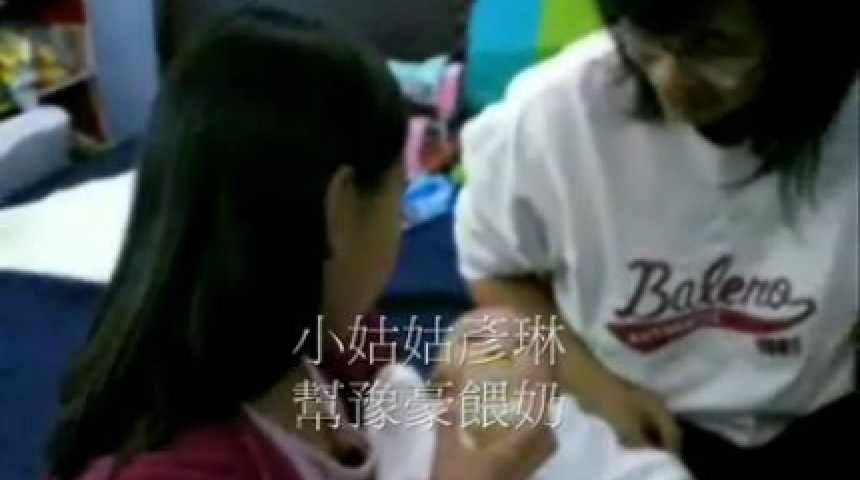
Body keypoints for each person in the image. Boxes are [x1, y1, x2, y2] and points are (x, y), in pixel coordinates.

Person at [43, 7, 557, 480]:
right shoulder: (174, 467)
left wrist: (478, 365)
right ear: (341, 209)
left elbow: (395, 396)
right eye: (399, 199)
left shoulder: (321, 331)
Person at [454, 0, 858, 478]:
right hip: (635, 418)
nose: (671, 80)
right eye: (649, 43)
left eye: (715, 46)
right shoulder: (551, 117)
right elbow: (496, 269)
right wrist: (596, 387)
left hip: (820, 405)